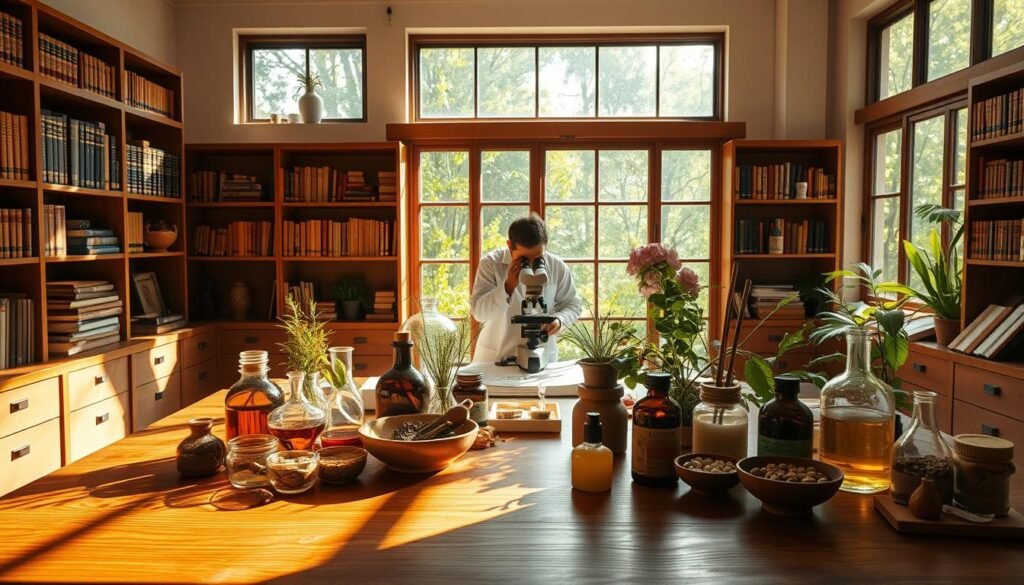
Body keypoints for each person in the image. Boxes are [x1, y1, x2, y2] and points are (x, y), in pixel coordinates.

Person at [471, 213, 582, 365]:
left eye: (538, 259)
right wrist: (507, 286)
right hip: (496, 359)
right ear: (510, 246)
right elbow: (479, 313)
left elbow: (573, 305)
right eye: (524, 259)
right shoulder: (490, 264)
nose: (530, 264)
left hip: (542, 359)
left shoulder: (557, 266)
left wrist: (560, 320)